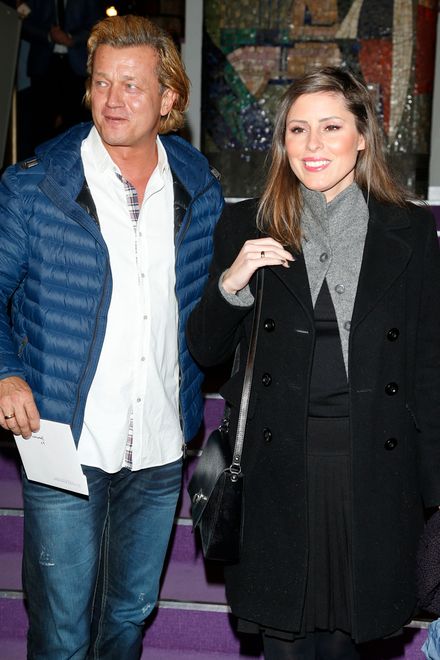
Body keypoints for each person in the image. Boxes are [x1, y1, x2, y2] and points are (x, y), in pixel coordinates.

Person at [186, 67, 440, 659]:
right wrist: (232, 284)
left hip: (373, 468)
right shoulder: (246, 224)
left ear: (362, 137)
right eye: (298, 129)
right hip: (278, 468)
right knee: (286, 642)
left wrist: (436, 490)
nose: (312, 144)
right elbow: (205, 351)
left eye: (331, 127)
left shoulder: (408, 229)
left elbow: (428, 368)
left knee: (350, 640)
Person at [0, 14, 223, 659]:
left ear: (169, 98)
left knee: (128, 615)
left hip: (158, 442)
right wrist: (6, 372)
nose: (112, 99)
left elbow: (207, 307)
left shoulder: (199, 185)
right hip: (62, 439)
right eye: (101, 82)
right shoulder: (36, 184)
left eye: (132, 84)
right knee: (62, 630)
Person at [21, 0, 103, 152]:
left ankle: (76, 160)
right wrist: (48, 35)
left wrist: (71, 39)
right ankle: (40, 163)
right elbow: (23, 21)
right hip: (44, 65)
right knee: (40, 121)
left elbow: (97, 25)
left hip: (77, 67)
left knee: (77, 121)